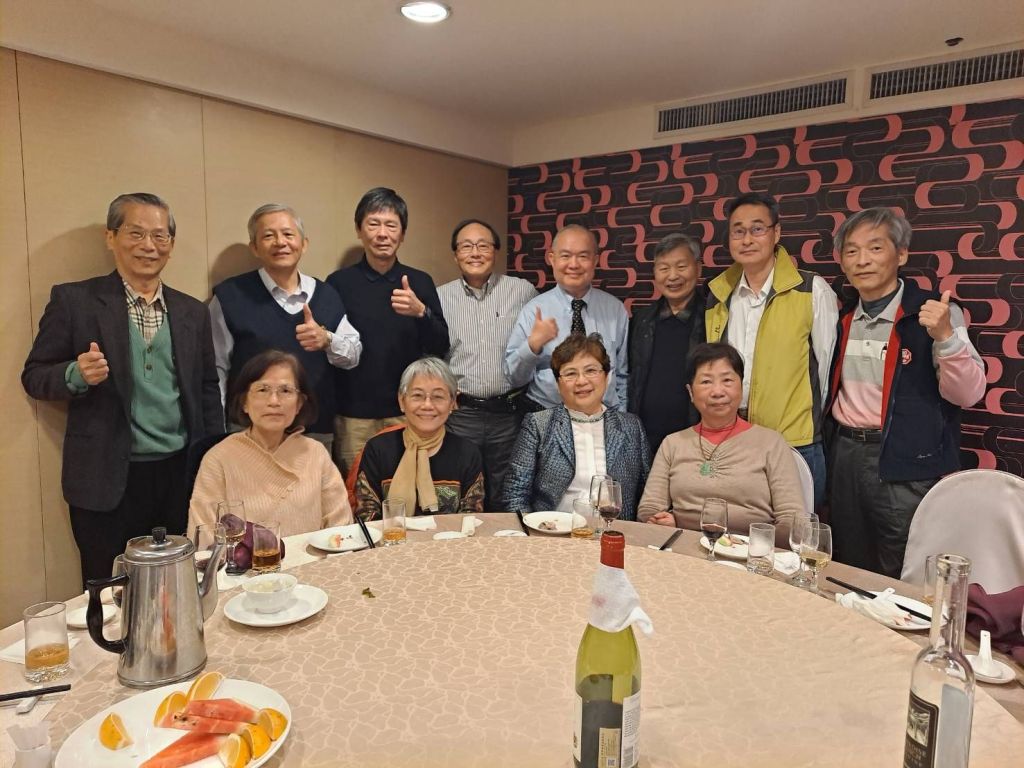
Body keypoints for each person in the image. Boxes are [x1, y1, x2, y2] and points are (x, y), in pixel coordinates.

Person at [21, 192, 222, 585]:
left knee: (176, 586)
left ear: (171, 245)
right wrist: (76, 374)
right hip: (105, 476)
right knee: (108, 588)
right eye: (136, 233)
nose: (149, 246)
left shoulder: (192, 311)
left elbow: (207, 388)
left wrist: (212, 460)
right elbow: (34, 375)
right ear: (111, 237)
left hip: (179, 475)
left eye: (160, 236)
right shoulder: (75, 301)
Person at [827, 207, 986, 577]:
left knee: (903, 568)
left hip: (906, 462)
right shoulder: (843, 317)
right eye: (851, 251)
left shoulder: (934, 312)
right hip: (845, 455)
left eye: (875, 248)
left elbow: (969, 394)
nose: (862, 260)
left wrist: (945, 337)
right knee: (847, 563)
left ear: (901, 254)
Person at [704, 192, 838, 510]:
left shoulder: (811, 290)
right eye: (738, 231)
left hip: (794, 441)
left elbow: (827, 375)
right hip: (732, 438)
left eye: (757, 229)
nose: (747, 239)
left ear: (776, 233)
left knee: (793, 533)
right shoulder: (718, 295)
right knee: (735, 529)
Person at [209, 203, 361, 451]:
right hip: (249, 432)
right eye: (269, 235)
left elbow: (353, 356)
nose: (280, 242)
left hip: (315, 432)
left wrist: (327, 340)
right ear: (254, 247)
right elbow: (217, 370)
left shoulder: (327, 295)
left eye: (288, 234)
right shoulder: (229, 296)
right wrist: (219, 430)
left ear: (304, 244)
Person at [326, 188, 449, 474]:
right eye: (374, 224)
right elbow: (331, 348)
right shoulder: (339, 283)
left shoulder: (419, 281)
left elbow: (440, 345)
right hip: (353, 415)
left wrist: (421, 312)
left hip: (407, 411)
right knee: (356, 487)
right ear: (359, 230)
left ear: (402, 234)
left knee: (408, 486)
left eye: (391, 225)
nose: (383, 234)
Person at [638, 342, 802, 545]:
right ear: (690, 392)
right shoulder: (673, 443)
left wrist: (750, 545)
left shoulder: (771, 443)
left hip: (751, 552)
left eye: (727, 380)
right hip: (684, 548)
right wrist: (661, 521)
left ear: (741, 386)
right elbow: (649, 508)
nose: (717, 391)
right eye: (706, 382)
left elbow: (792, 519)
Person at [188, 350, 353, 538]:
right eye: (262, 390)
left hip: (312, 557)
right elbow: (203, 537)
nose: (274, 401)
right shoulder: (218, 458)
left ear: (299, 404)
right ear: (244, 402)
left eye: (285, 391)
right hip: (239, 558)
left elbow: (342, 528)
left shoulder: (316, 453)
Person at [438, 218, 538, 510]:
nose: (475, 253)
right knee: (459, 488)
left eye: (483, 245)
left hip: (508, 414)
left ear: (495, 251)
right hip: (461, 414)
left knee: (506, 491)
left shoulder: (522, 292)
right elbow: (432, 353)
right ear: (455, 254)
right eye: (466, 246)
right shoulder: (440, 297)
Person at [502, 334, 650, 520]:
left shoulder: (631, 426)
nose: (581, 381)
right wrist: (535, 532)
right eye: (570, 373)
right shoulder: (539, 425)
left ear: (607, 376)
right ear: (558, 383)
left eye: (591, 371)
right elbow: (515, 494)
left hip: (614, 531)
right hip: (553, 531)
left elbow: (647, 493)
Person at [505, 224, 629, 411]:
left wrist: (621, 418)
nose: (574, 264)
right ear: (552, 258)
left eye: (583, 256)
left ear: (595, 260)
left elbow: (622, 376)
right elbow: (514, 378)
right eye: (565, 256)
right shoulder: (534, 311)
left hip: (604, 417)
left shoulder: (615, 310)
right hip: (547, 415)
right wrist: (532, 346)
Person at [354, 357, 484, 520]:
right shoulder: (377, 449)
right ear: (402, 401)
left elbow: (471, 518)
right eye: (417, 395)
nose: (427, 405)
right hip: (392, 536)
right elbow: (366, 515)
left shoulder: (467, 453)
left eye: (438, 397)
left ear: (452, 403)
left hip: (450, 536)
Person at [628, 232, 706, 453]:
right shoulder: (641, 320)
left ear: (698, 268)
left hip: (696, 439)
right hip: (644, 439)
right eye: (664, 268)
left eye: (681, 267)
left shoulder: (713, 318)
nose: (672, 276)